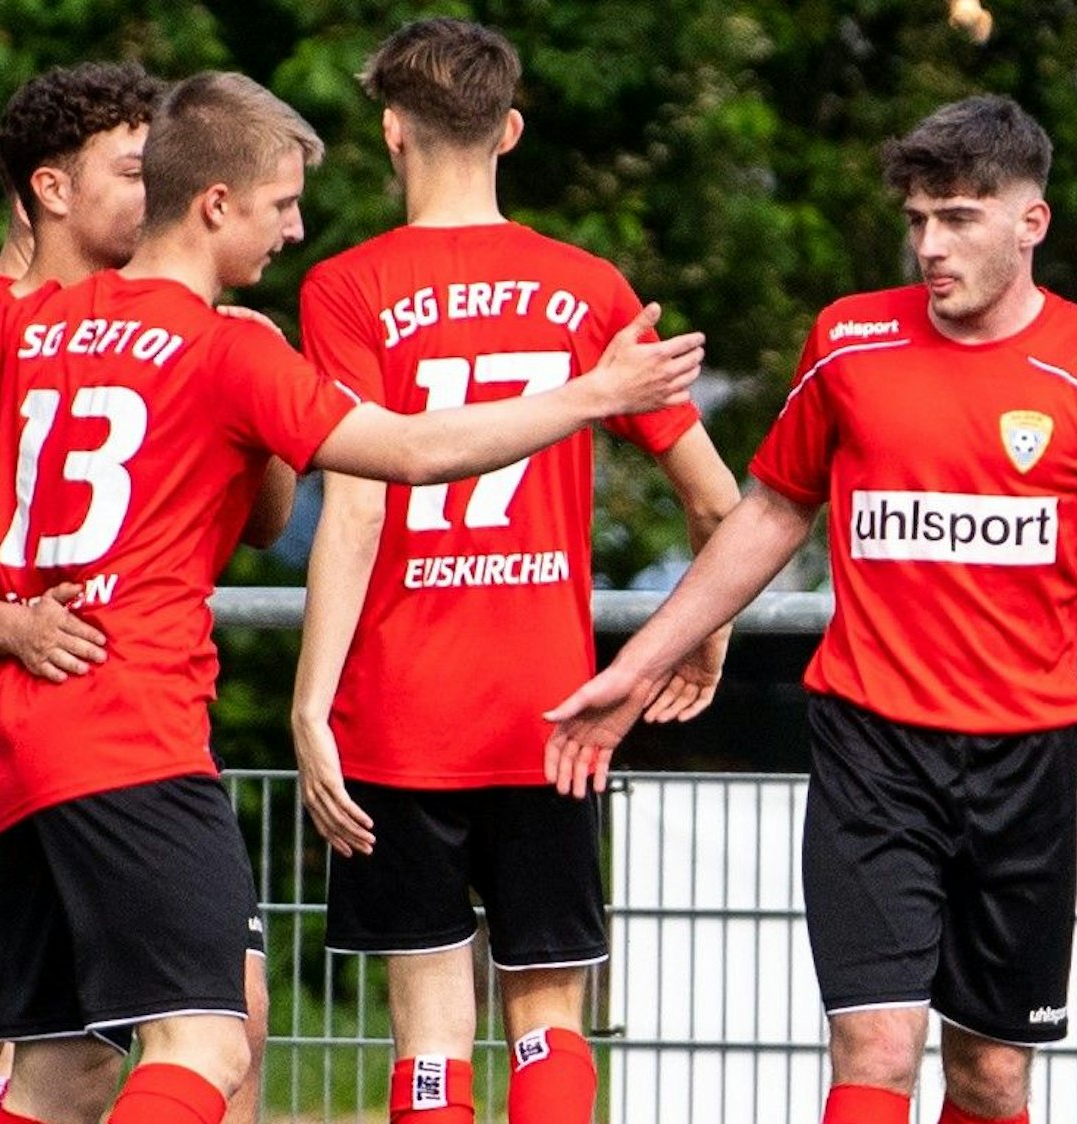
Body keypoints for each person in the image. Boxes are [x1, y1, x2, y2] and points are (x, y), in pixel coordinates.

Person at [0, 70, 706, 1124]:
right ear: (215, 204)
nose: (296, 229)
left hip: (11, 737)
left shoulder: (30, 328)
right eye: (280, 206)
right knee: (209, 1041)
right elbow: (407, 450)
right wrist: (595, 393)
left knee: (60, 1070)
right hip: (133, 730)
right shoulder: (227, 353)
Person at [543, 94, 1077, 1124]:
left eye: (956, 217)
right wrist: (639, 664)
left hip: (1022, 761)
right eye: (917, 219)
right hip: (872, 749)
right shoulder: (849, 339)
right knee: (876, 1039)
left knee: (991, 1075)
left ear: (1028, 222)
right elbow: (773, 507)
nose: (929, 245)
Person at [288, 19, 742, 1124]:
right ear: (512, 129)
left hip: (399, 706)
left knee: (431, 1032)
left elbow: (353, 500)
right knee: (546, 1014)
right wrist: (696, 637)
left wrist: (310, 702)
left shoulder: (345, 289)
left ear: (391, 130)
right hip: (550, 706)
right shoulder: (585, 287)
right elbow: (720, 500)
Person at [0, 62, 269, 1124]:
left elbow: (250, 522)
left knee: (221, 1016)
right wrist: (12, 626)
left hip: (122, 704)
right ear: (52, 188)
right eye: (130, 167)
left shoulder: (180, 328)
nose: (150, 187)